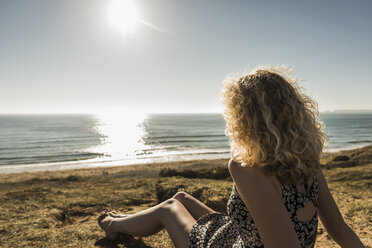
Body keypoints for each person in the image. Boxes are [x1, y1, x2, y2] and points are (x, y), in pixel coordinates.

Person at [98, 66, 364, 248]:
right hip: (241, 235)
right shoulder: (307, 162)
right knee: (180, 197)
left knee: (170, 208)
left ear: (244, 116)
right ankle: (124, 220)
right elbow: (340, 231)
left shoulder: (248, 168)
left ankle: (113, 225)